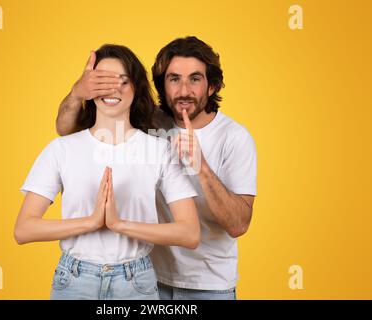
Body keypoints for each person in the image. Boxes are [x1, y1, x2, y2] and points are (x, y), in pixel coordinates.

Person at [56, 36, 257, 300]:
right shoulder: (150, 124)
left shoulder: (234, 137)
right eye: (174, 79)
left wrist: (202, 167)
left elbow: (238, 225)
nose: (184, 90)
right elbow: (66, 130)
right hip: (147, 279)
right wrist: (77, 94)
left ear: (212, 86)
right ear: (163, 85)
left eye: (195, 79)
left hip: (210, 285)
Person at [15, 44, 200, 300]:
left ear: (136, 88)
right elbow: (24, 230)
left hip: (136, 282)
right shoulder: (62, 149)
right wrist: (91, 222)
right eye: (102, 82)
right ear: (89, 90)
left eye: (123, 82)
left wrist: (120, 225)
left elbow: (189, 233)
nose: (113, 90)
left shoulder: (158, 150)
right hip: (74, 280)